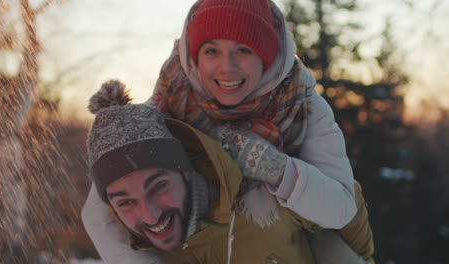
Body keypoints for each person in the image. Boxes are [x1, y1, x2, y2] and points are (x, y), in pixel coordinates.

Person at [82, 0, 374, 263]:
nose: (227, 68)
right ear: (194, 57)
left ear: (268, 55)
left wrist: (279, 171)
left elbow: (342, 210)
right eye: (211, 50)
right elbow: (98, 215)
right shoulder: (166, 106)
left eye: (243, 50)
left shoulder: (302, 106)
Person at [85, 82, 323, 263]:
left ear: (184, 171)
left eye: (159, 186)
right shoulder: (129, 244)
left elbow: (345, 204)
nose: (150, 216)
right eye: (126, 202)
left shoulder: (262, 201)